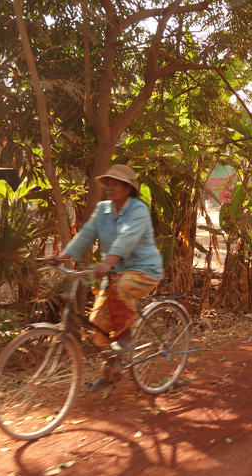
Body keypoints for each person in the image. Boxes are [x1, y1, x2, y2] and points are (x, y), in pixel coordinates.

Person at [44, 164, 163, 392]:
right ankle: (112, 371)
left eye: (115, 183)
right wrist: (63, 257)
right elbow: (86, 234)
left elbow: (127, 238)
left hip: (144, 271)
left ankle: (127, 338)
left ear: (128, 188)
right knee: (98, 324)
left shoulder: (138, 210)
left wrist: (108, 261)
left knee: (120, 289)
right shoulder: (102, 210)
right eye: (108, 183)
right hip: (115, 273)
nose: (109, 187)